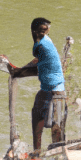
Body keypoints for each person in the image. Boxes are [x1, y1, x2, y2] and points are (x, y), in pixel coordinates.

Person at [27, 18, 66, 150]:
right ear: (34, 31)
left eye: (45, 31)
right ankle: (58, 152)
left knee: (37, 117)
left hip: (51, 89)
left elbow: (35, 63)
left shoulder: (40, 46)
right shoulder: (47, 42)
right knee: (57, 126)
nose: (43, 34)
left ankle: (37, 151)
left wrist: (18, 72)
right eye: (41, 31)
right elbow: (39, 62)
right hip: (59, 88)